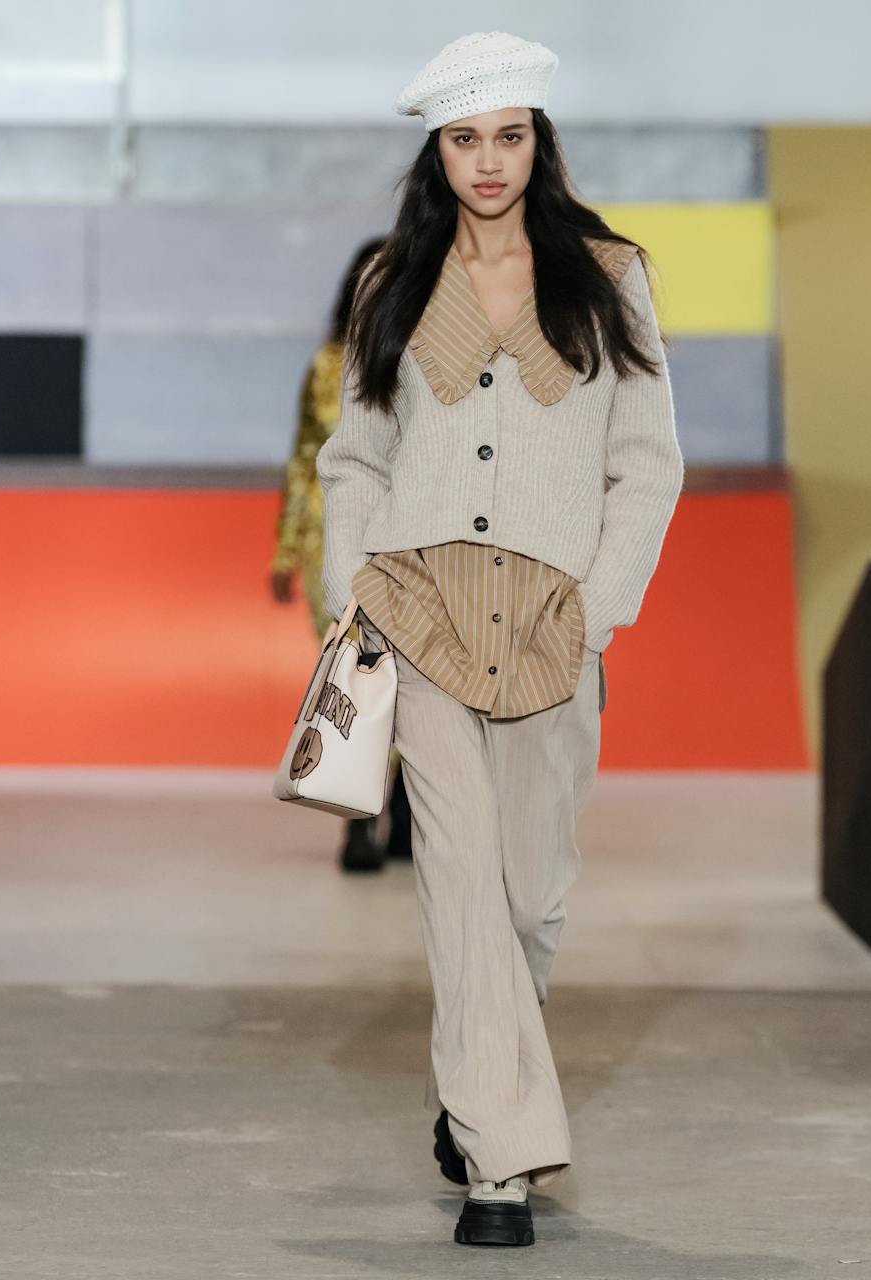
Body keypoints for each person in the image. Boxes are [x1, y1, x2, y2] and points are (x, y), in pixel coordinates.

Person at [315, 30, 685, 1247]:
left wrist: (596, 608)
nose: (488, 160)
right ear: (437, 150)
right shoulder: (393, 280)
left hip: (550, 628)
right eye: (465, 139)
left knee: (530, 896)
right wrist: (355, 597)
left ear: (539, 141)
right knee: (461, 876)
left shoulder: (608, 274)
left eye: (509, 136)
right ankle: (499, 1162)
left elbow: (646, 463)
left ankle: (475, 1087)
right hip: (417, 614)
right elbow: (355, 458)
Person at [269, 238, 413, 873]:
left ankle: (403, 812)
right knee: (351, 678)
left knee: (409, 683)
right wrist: (285, 551)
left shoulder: (428, 364)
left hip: (407, 547)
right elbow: (304, 458)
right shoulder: (328, 367)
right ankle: (359, 820)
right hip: (330, 549)